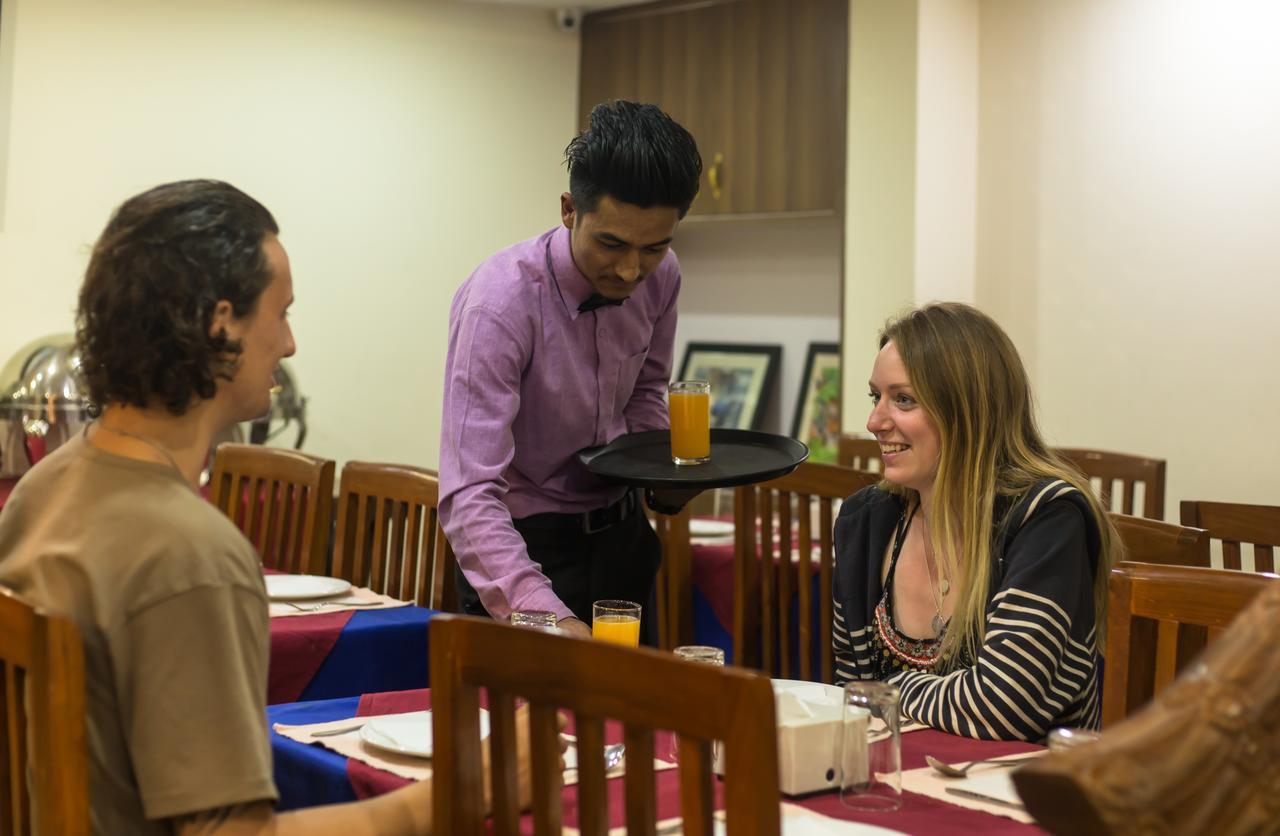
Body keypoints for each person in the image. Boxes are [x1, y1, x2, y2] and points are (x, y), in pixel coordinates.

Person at [0, 180, 533, 835]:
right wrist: (460, 794)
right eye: (281, 312)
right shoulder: (189, 553)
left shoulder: (42, 486)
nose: (289, 343)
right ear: (221, 324)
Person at [439, 101, 702, 642]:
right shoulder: (499, 304)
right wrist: (545, 615)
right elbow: (469, 496)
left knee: (632, 720)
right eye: (611, 243)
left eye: (653, 247)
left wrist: (661, 476)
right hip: (521, 552)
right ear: (568, 209)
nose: (631, 270)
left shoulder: (662, 276)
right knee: (529, 726)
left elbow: (647, 393)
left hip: (621, 540)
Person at [831, 302, 1121, 741]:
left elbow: (1003, 708)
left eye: (903, 399)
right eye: (877, 397)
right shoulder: (866, 521)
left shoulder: (1045, 518)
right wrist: (865, 697)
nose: (874, 421)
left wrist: (886, 691)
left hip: (1025, 798)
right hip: (896, 786)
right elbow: (848, 700)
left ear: (968, 411)